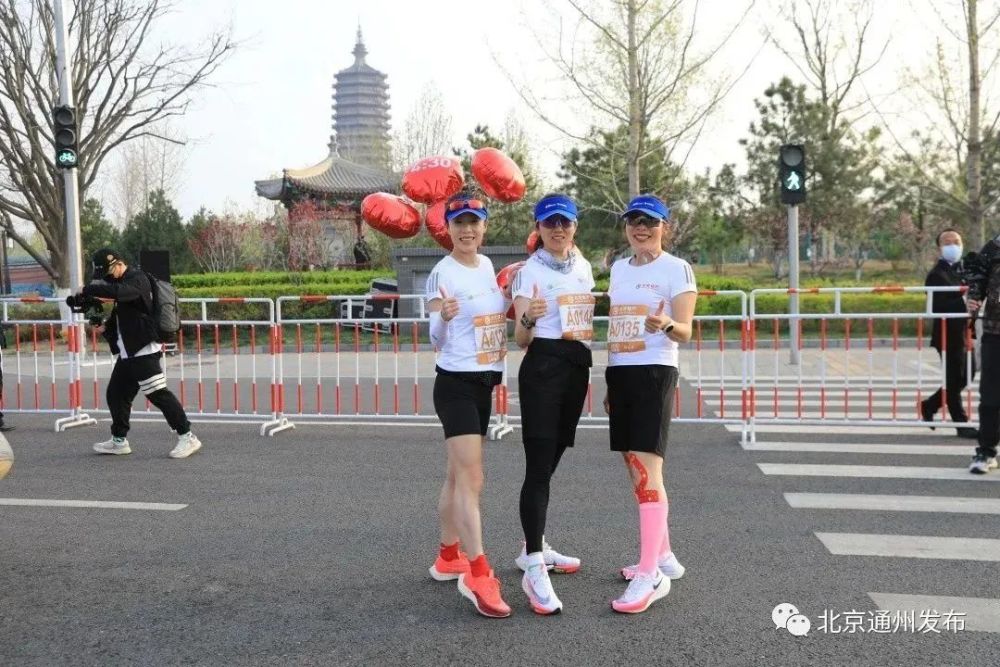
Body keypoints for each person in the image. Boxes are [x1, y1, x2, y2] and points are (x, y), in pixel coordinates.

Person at [603, 194, 696, 614]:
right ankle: (663, 555)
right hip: (621, 373)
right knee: (635, 466)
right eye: (634, 221)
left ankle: (649, 574)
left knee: (647, 469)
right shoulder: (619, 269)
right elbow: (616, 327)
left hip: (654, 371)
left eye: (650, 222)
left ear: (664, 227)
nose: (641, 228)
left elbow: (686, 331)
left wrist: (668, 324)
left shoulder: (677, 268)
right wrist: (610, 379)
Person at [425, 192, 511, 618]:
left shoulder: (487, 266)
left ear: (484, 226)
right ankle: (478, 573)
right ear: (448, 228)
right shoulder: (442, 272)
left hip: (483, 384)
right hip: (455, 384)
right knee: (472, 478)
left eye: (474, 222)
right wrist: (443, 317)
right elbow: (434, 339)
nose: (467, 230)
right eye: (459, 222)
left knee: (456, 476)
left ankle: (448, 556)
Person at [510, 193, 595, 615]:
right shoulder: (528, 273)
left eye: (564, 222)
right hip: (543, 366)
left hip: (577, 366)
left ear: (575, 226)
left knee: (553, 459)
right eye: (549, 223)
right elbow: (520, 338)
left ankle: (534, 543)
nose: (558, 229)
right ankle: (533, 567)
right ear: (538, 229)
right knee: (539, 467)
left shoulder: (583, 267)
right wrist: (530, 316)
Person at [71, 248, 202, 459]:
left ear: (118, 263)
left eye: (107, 273)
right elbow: (121, 316)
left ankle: (188, 436)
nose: (106, 278)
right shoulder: (122, 284)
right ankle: (119, 441)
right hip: (129, 352)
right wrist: (103, 327)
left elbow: (120, 292)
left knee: (158, 394)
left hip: (143, 350)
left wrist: (87, 289)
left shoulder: (137, 279)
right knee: (116, 394)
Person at [921, 229, 978, 438]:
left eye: (956, 241)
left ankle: (930, 404)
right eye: (947, 242)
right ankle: (961, 424)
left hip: (965, 332)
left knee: (967, 374)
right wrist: (964, 300)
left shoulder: (964, 270)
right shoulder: (936, 275)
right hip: (947, 334)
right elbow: (937, 305)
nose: (953, 245)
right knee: (954, 378)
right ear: (939, 248)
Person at [963, 234, 1000, 474]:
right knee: (990, 397)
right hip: (996, 332)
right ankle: (986, 451)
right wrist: (974, 297)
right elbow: (978, 272)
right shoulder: (996, 245)